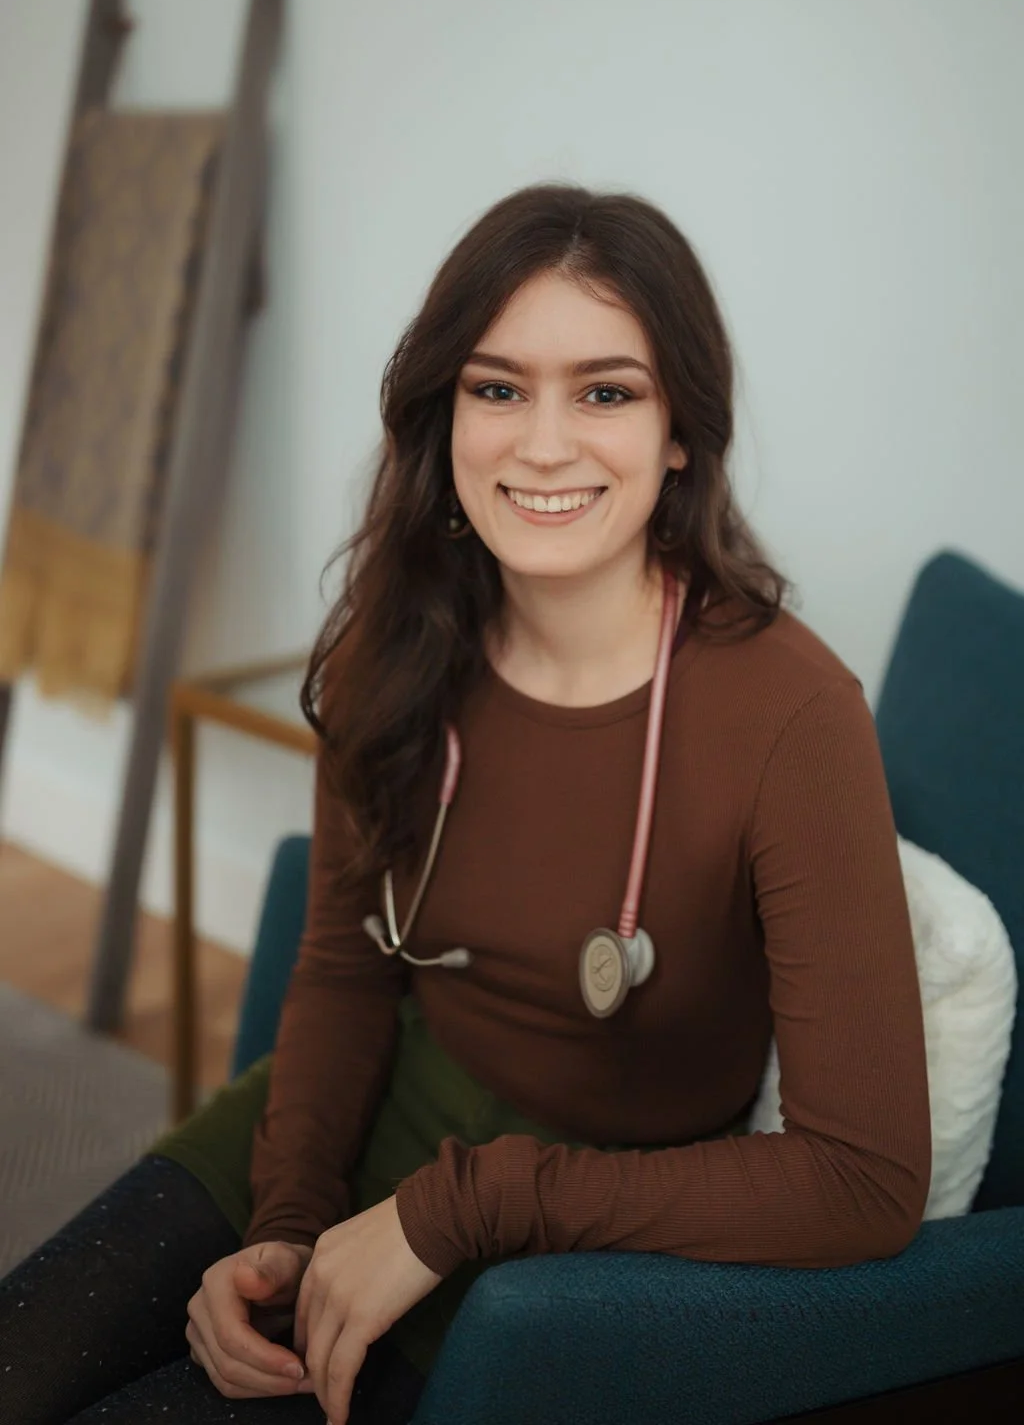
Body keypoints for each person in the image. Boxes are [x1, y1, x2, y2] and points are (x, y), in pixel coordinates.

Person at [0, 182, 932, 1425]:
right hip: (352, 1120)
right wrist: (284, 1226)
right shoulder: (400, 635)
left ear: (679, 433)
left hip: (554, 1242)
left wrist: (463, 1209)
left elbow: (864, 1181)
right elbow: (344, 972)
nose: (542, 444)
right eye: (497, 389)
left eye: (605, 391)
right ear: (445, 415)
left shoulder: (793, 715)